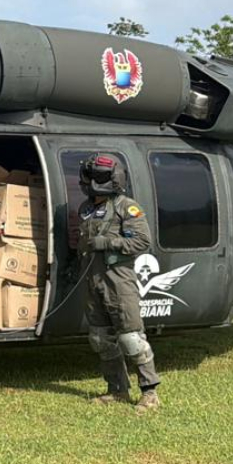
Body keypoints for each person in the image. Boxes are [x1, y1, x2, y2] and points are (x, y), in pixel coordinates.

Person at [77, 154, 160, 413]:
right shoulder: (86, 209)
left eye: (97, 175)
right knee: (101, 338)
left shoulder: (127, 207)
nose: (92, 180)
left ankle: (150, 393)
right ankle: (117, 389)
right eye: (91, 174)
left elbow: (142, 241)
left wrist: (108, 243)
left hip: (119, 279)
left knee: (131, 338)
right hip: (93, 279)